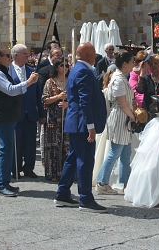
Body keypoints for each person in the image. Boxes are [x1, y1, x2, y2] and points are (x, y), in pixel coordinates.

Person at [55, 42, 107, 211]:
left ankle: (63, 192)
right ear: (88, 56)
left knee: (73, 158)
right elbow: (85, 100)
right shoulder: (84, 71)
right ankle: (85, 198)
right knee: (85, 160)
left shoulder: (77, 69)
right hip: (82, 123)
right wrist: (90, 125)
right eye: (93, 54)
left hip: (75, 121)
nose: (95, 57)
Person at [0, 46, 39, 197]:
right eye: (7, 55)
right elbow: (11, 90)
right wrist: (28, 82)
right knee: (5, 149)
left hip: (9, 115)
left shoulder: (3, 72)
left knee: (7, 149)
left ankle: (4, 181)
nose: (9, 58)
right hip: (3, 115)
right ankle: (1, 184)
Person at [95, 50, 138, 196]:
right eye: (132, 62)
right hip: (120, 118)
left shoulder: (121, 77)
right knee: (115, 152)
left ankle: (126, 183)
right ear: (125, 64)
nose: (134, 64)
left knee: (126, 154)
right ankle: (101, 182)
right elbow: (122, 103)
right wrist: (133, 116)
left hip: (123, 117)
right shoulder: (119, 79)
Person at [9, 44, 44, 178]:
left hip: (30, 113)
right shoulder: (8, 71)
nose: (27, 56)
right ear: (16, 55)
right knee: (16, 143)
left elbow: (37, 93)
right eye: (25, 53)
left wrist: (41, 113)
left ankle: (29, 168)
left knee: (30, 143)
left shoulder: (32, 71)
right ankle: (15, 168)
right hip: (16, 113)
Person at [42, 59, 70, 181]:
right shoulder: (50, 82)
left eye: (67, 66)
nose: (65, 68)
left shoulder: (70, 81)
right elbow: (45, 100)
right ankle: (53, 173)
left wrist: (68, 104)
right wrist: (58, 97)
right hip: (53, 118)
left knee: (67, 145)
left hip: (68, 117)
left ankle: (67, 172)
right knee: (53, 146)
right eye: (62, 65)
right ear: (56, 67)